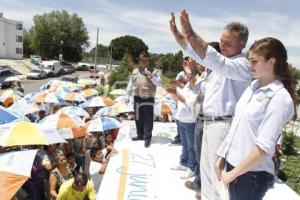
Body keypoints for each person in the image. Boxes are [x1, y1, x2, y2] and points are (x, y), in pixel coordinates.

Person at [170, 10, 251, 200]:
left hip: (223, 126)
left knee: (218, 180)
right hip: (210, 124)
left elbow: (211, 56)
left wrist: (190, 33)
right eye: (221, 40)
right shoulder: (220, 65)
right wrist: (178, 35)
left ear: (242, 44)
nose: (222, 45)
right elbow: (193, 52)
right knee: (206, 176)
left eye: (228, 42)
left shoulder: (241, 65)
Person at [215, 37, 296, 200]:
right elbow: (237, 125)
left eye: (254, 61)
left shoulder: (279, 98)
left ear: (271, 62)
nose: (249, 66)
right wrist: (222, 155)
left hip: (251, 175)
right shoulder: (253, 87)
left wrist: (233, 174)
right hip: (235, 166)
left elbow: (264, 147)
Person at [185, 42, 221, 195]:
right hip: (202, 117)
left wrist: (192, 72)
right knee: (200, 152)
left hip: (211, 119)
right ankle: (201, 183)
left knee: (206, 155)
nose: (201, 58)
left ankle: (204, 186)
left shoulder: (218, 73)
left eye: (203, 54)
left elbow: (204, 90)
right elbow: (195, 89)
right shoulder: (208, 73)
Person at [125, 51, 161, 147]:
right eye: (143, 60)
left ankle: (147, 138)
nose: (145, 62)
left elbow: (158, 83)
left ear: (149, 61)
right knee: (138, 118)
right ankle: (140, 135)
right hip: (137, 98)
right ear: (139, 61)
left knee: (148, 120)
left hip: (148, 99)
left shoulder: (154, 71)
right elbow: (130, 84)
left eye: (147, 60)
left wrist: (150, 75)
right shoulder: (135, 72)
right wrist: (127, 96)